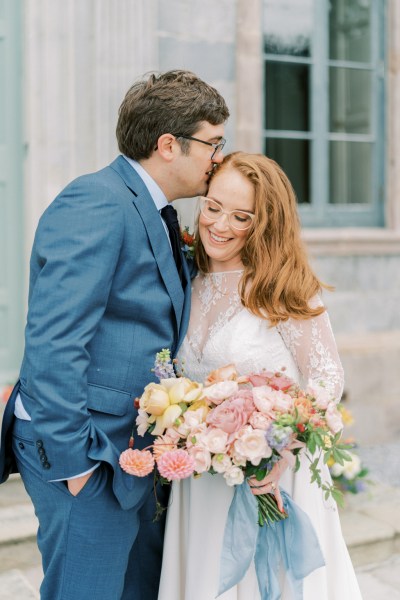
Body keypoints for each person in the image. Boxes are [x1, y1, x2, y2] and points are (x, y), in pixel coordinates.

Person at [0, 70, 229, 600]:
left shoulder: (152, 209)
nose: (218, 157)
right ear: (169, 145)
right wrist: (75, 466)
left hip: (133, 455)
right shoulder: (98, 202)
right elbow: (55, 342)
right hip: (88, 455)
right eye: (213, 143)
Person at [158, 152, 362, 599]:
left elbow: (327, 377)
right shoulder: (185, 277)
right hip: (204, 482)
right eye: (212, 207)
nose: (220, 225)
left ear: (265, 222)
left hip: (274, 474)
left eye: (241, 216)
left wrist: (282, 443)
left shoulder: (282, 285)